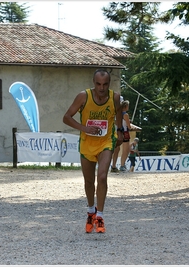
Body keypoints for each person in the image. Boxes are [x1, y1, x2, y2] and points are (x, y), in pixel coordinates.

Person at [63, 69, 123, 233]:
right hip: (87, 143)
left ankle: (100, 216)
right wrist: (85, 128)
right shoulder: (84, 96)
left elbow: (118, 112)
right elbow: (66, 117)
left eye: (105, 84)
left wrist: (119, 130)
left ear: (109, 84)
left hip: (105, 141)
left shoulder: (115, 97)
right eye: (98, 84)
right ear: (93, 83)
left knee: (102, 176)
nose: (102, 88)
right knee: (89, 182)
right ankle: (91, 212)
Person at [119, 100, 131, 172]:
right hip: (125, 132)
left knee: (124, 149)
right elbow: (129, 126)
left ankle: (122, 164)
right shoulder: (125, 115)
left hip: (120, 131)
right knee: (125, 150)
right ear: (126, 107)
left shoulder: (119, 114)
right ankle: (122, 165)